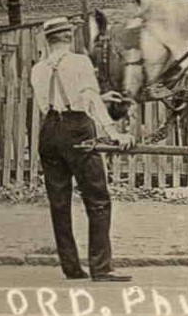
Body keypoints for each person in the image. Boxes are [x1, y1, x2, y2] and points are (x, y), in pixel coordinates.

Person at [30, 16, 136, 282]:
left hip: (49, 132)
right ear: (69, 37)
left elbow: (51, 104)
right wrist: (114, 133)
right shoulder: (79, 62)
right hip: (77, 129)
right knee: (98, 199)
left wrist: (99, 97)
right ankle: (101, 268)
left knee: (59, 202)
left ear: (49, 39)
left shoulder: (38, 68)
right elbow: (86, 100)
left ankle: (71, 267)